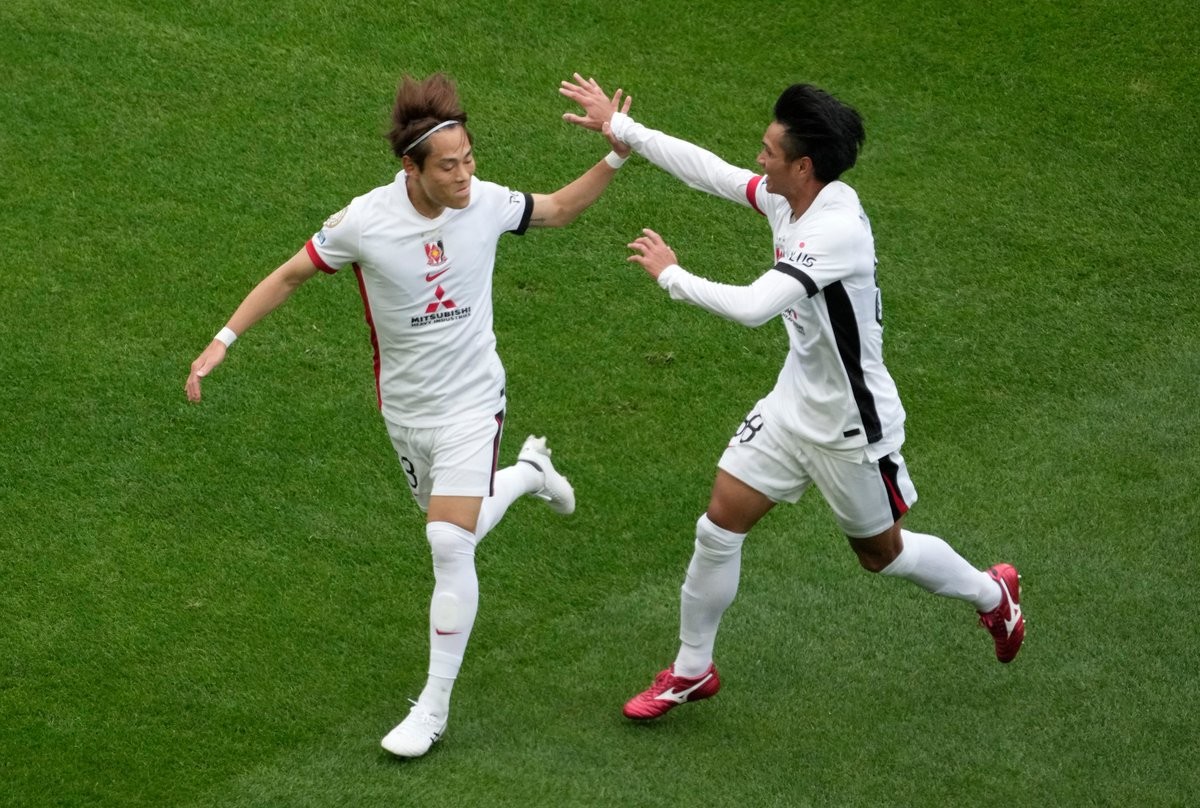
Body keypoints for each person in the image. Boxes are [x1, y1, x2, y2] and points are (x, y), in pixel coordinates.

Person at [186, 73, 632, 756]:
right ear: (410, 168)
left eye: (470, 158)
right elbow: (290, 275)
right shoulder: (364, 221)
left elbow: (561, 209)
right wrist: (223, 340)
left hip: (474, 403)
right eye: (448, 166)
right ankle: (529, 475)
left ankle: (433, 707)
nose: (464, 175)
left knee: (448, 543)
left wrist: (618, 151)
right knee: (456, 525)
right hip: (405, 413)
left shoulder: (486, 203)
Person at [559, 74, 1025, 721]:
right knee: (718, 525)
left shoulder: (835, 231)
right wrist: (623, 129)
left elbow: (755, 307)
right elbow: (714, 173)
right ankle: (692, 669)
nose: (759, 158)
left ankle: (993, 595)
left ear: (803, 166)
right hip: (790, 406)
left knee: (881, 555)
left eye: (770, 151)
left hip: (850, 428)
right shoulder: (792, 198)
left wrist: (673, 276)